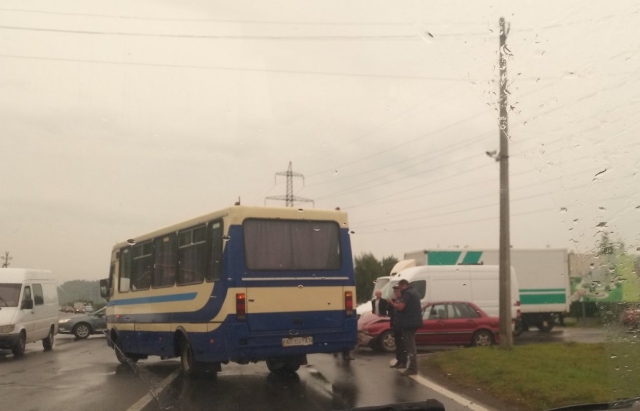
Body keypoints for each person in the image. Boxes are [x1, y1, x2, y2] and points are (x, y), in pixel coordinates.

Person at [387, 279, 422, 376]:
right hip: (414, 322)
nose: (400, 289)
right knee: (411, 345)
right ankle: (412, 366)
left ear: (404, 285)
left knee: (409, 346)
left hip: (408, 323)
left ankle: (413, 368)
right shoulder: (415, 293)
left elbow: (401, 307)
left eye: (400, 287)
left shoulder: (407, 294)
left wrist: (392, 303)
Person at [387, 286, 406, 369]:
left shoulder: (403, 301)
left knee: (402, 344)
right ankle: (399, 360)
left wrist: (393, 303)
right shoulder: (395, 301)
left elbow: (401, 310)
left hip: (401, 324)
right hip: (395, 324)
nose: (395, 293)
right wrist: (391, 302)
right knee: (397, 344)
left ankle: (403, 361)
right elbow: (388, 309)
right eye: (394, 292)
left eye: (397, 291)